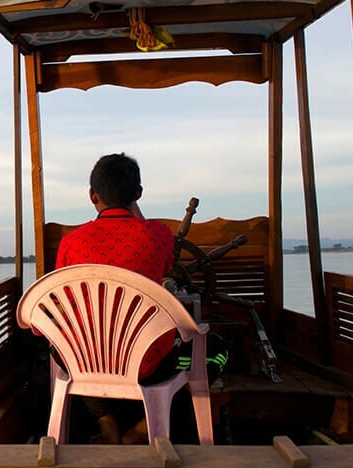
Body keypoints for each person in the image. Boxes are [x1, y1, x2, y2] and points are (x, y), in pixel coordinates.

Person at [54, 153, 226, 444]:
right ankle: (142, 429)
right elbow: (164, 265)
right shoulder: (157, 234)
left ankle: (105, 420)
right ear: (138, 194)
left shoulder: (72, 242)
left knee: (63, 348)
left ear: (92, 195)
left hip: (84, 360)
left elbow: (58, 303)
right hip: (148, 363)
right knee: (217, 349)